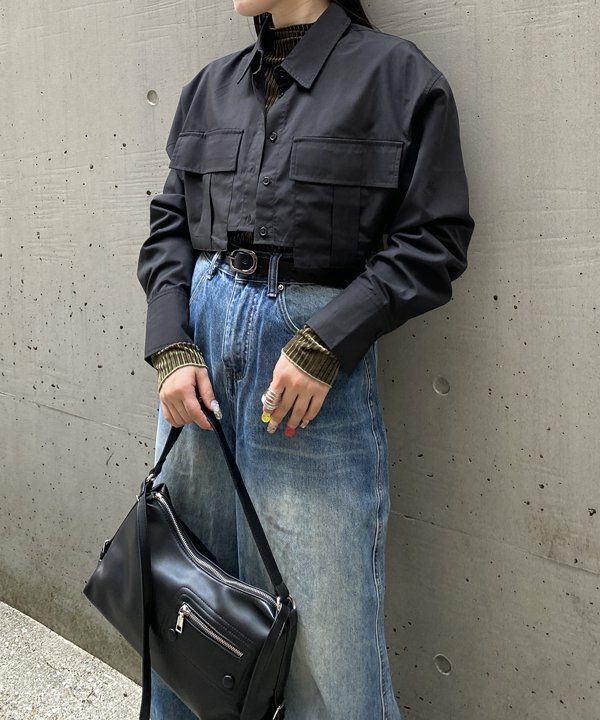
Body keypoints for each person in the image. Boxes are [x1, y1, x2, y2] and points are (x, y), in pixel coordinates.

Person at [136, 1, 475, 718]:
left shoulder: (397, 79)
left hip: (306, 380)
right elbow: (170, 226)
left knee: (328, 640)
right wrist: (170, 343)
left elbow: (433, 240)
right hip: (197, 369)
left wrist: (328, 342)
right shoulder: (210, 87)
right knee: (183, 604)